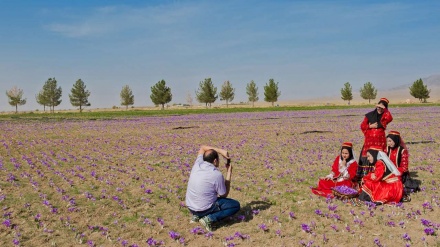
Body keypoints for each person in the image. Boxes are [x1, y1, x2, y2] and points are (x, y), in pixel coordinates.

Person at [185, 145, 240, 231]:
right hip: (204, 209)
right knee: (235, 205)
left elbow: (202, 147)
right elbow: (224, 195)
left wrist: (220, 151)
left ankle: (197, 216)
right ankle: (210, 218)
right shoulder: (216, 174)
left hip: (191, 207)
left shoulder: (197, 164)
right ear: (215, 161)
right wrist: (229, 172)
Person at [356, 98, 393, 181]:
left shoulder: (385, 117)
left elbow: (390, 117)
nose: (379, 109)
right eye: (378, 107)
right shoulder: (369, 115)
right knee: (368, 156)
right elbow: (362, 126)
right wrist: (370, 126)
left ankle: (378, 174)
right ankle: (365, 176)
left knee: (378, 157)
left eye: (382, 108)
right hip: (369, 142)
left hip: (380, 142)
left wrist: (385, 109)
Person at [386, 130, 419, 199]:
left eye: (390, 141)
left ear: (396, 140)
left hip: (399, 174)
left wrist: (394, 173)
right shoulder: (387, 149)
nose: (388, 143)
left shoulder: (403, 151)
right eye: (387, 141)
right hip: (388, 172)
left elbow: (404, 167)